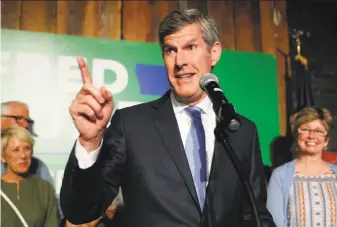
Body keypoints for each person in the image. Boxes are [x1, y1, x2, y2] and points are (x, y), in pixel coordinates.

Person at [61, 9, 275, 227]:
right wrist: (89, 142)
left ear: (215, 52)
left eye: (190, 47)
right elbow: (82, 210)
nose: (180, 61)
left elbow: (254, 214)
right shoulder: (131, 124)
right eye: (170, 50)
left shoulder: (241, 130)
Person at [267, 107, 337, 227]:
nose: (311, 136)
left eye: (318, 131)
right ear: (297, 136)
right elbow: (275, 222)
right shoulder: (281, 175)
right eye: (305, 129)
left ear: (326, 140)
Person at [1, 126, 59, 227]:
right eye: (16, 150)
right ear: (3, 157)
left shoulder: (44, 189)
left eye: (27, 148)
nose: (23, 155)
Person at [1, 101, 53, 185]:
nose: (25, 125)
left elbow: (48, 196)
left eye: (27, 121)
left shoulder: (38, 166)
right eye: (19, 119)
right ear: (1, 120)